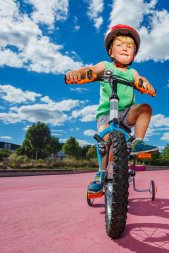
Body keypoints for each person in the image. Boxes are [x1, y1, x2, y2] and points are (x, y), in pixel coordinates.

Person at [65, 24, 157, 194]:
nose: (125, 48)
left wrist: (145, 85)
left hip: (126, 114)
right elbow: (91, 70)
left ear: (134, 54)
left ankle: (138, 142)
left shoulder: (132, 72)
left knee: (145, 108)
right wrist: (78, 73)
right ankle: (101, 173)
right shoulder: (106, 66)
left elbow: (140, 80)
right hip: (106, 113)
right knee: (105, 141)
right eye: (120, 45)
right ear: (111, 51)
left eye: (129, 46)